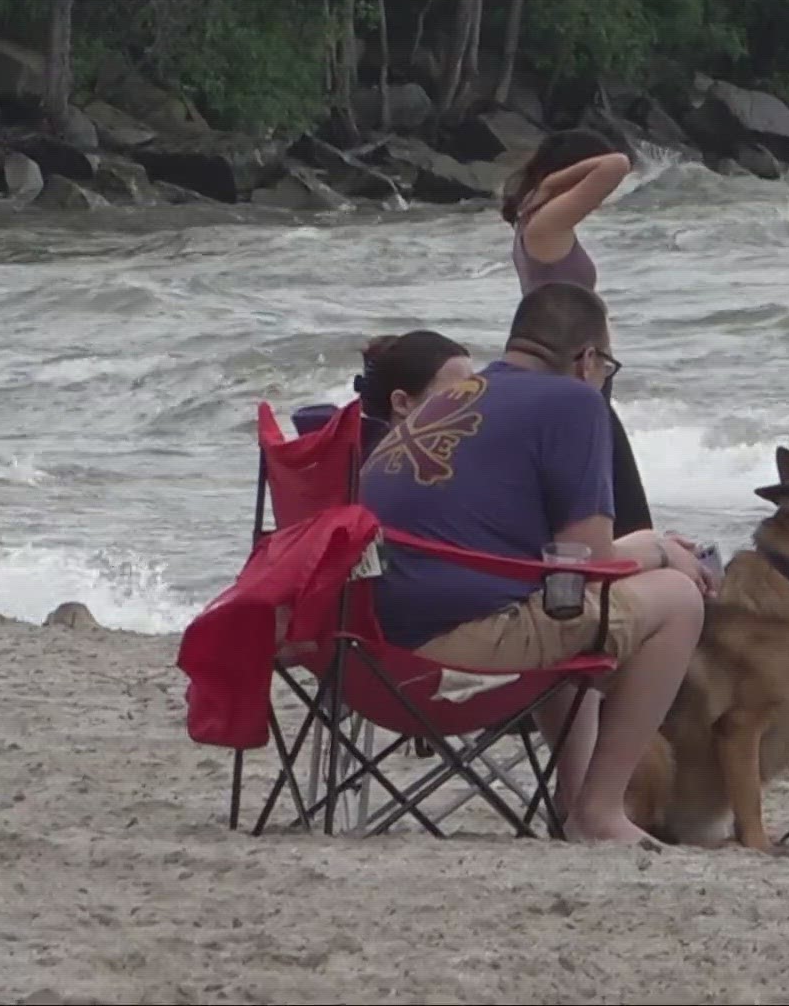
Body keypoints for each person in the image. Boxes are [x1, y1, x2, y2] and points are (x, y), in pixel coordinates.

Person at [360, 282, 710, 846]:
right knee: (676, 599)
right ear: (588, 359)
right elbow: (595, 560)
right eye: (607, 368)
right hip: (456, 648)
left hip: (371, 647)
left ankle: (576, 799)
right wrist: (662, 549)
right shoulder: (574, 402)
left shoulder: (452, 396)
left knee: (564, 606)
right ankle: (598, 811)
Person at [501, 129, 653, 536]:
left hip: (570, 362)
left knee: (602, 484)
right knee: (620, 496)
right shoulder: (545, 221)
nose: (598, 197)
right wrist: (555, 183)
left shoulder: (535, 219)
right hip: (571, 366)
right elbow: (617, 164)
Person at [289, 331, 475, 447]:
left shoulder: (355, 463)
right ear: (402, 403)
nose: (474, 403)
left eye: (475, 390)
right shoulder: (413, 476)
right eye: (456, 396)